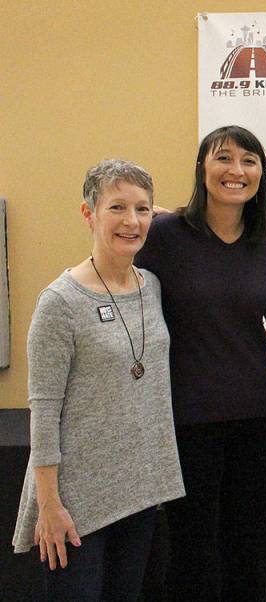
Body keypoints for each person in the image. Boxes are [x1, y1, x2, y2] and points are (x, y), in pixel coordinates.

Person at [134, 126, 266, 599]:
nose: (236, 170)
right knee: (192, 555)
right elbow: (119, 287)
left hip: (258, 418)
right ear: (202, 169)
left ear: (262, 175)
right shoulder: (163, 235)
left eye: (249, 160)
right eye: (223, 158)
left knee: (247, 552)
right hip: (186, 420)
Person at [12, 160, 184, 600]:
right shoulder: (60, 302)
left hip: (139, 492)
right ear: (88, 214)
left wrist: (154, 214)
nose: (131, 221)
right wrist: (48, 506)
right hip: (76, 503)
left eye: (142, 209)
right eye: (117, 208)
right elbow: (44, 410)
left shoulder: (152, 286)